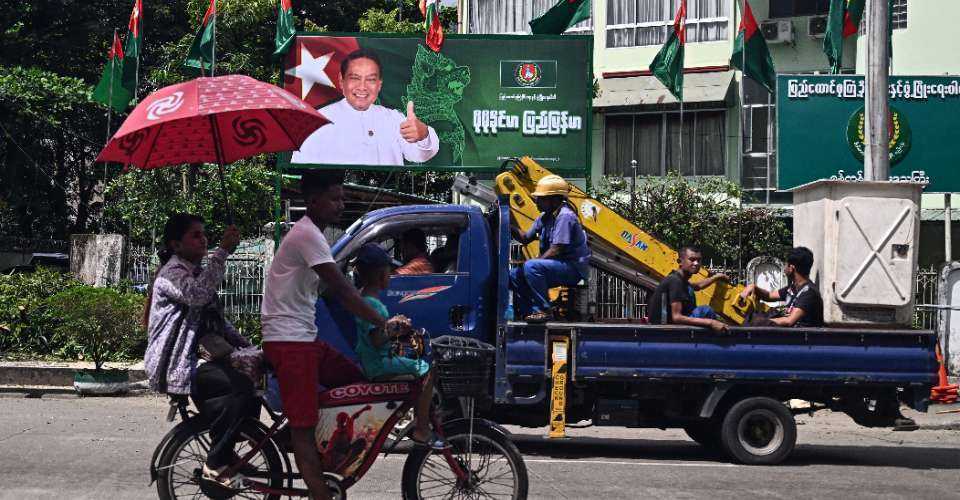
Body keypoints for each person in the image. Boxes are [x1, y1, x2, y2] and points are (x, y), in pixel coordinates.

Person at [260, 171, 394, 500]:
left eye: (342, 198)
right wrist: (381, 321)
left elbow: (334, 291)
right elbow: (340, 288)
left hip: (302, 339)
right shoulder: (307, 235)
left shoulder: (314, 236)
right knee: (304, 431)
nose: (340, 205)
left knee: (358, 383)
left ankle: (316, 439)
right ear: (313, 201)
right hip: (290, 342)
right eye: (334, 198)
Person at [143, 214, 260, 488]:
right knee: (239, 384)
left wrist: (249, 347)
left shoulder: (195, 272)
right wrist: (222, 252)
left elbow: (218, 322)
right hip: (177, 363)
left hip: (199, 357)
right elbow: (197, 295)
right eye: (195, 235)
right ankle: (216, 461)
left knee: (256, 376)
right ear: (176, 245)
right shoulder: (171, 273)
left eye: (203, 234)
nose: (203, 239)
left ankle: (228, 447)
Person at [352, 244, 447, 449]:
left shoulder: (365, 299)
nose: (391, 276)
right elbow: (377, 339)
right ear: (380, 275)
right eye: (388, 272)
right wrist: (395, 328)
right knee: (427, 370)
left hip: (376, 360)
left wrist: (394, 324)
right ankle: (422, 428)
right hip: (379, 364)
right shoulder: (371, 303)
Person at [291, 48, 440, 166]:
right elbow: (301, 171)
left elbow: (420, 155)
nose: (362, 87)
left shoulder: (394, 119)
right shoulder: (317, 121)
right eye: (355, 78)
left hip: (387, 202)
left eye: (371, 79)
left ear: (379, 85)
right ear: (341, 81)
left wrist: (423, 134)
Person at [509, 175, 592, 323]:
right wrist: (507, 222)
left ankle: (543, 310)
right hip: (556, 266)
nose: (537, 202)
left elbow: (556, 249)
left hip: (572, 268)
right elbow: (525, 238)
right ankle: (527, 312)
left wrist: (534, 265)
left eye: (541, 198)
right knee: (514, 275)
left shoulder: (565, 217)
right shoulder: (544, 217)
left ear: (555, 200)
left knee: (531, 267)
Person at [647, 246, 730, 333]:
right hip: (665, 332)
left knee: (690, 290)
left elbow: (698, 286)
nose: (696, 263)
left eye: (698, 260)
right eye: (692, 259)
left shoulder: (679, 279)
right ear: (680, 261)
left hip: (667, 327)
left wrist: (716, 277)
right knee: (705, 310)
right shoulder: (675, 281)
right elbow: (677, 317)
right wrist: (711, 322)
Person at [739, 246, 824, 327]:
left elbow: (789, 321)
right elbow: (769, 295)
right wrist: (754, 287)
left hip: (802, 339)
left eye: (786, 264)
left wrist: (760, 321)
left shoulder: (809, 293)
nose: (784, 267)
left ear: (791, 268)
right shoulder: (793, 288)